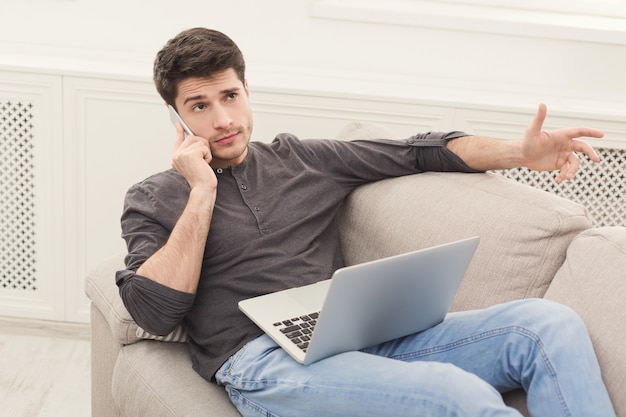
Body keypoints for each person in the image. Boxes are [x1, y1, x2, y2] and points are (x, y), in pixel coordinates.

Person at [116, 27, 616, 417]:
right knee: (453, 395)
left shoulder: (301, 159)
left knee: (546, 324)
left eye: (229, 96)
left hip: (352, 336)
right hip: (263, 366)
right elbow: (156, 313)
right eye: (199, 107)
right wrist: (201, 190)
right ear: (175, 117)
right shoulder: (155, 196)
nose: (222, 119)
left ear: (247, 90)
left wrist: (519, 152)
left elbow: (418, 152)